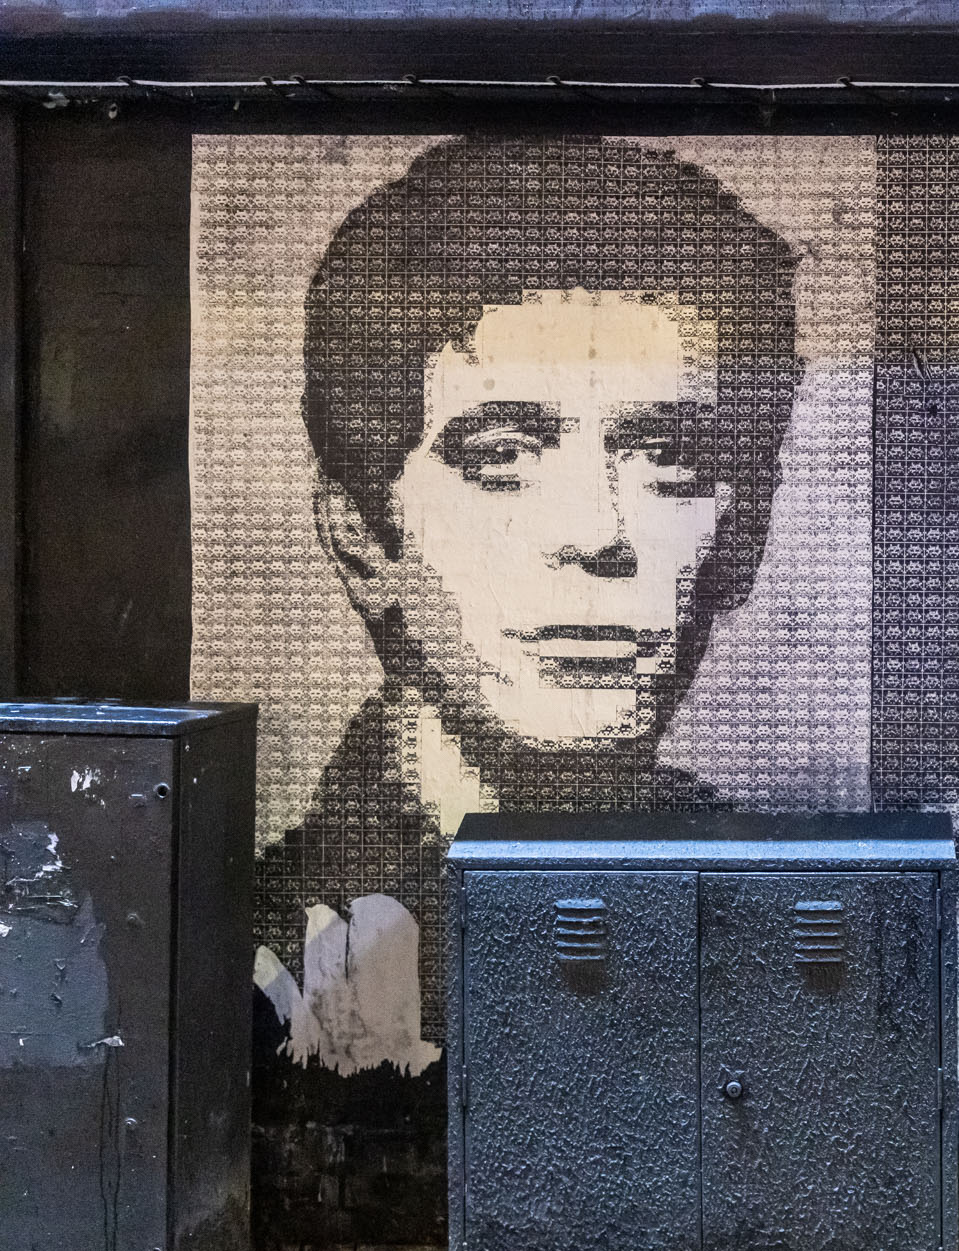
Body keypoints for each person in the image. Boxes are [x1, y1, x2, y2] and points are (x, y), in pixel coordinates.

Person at [255, 134, 799, 1083]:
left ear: (742, 537)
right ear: (362, 536)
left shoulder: (778, 924)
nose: (598, 534)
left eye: (668, 458)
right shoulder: (259, 954)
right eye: (501, 456)